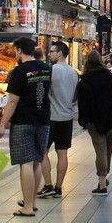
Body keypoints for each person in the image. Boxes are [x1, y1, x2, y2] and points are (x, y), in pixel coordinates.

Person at [0, 37, 52, 217]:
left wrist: (2, 123)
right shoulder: (46, 68)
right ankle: (33, 202)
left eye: (15, 50)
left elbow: (13, 101)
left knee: (26, 163)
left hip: (23, 120)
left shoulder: (19, 71)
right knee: (37, 159)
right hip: (43, 119)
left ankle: (27, 206)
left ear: (20, 50)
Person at [77, 50, 112, 194]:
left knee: (100, 151)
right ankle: (103, 177)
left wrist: (84, 120)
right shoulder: (111, 76)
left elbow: (83, 103)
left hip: (94, 120)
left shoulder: (85, 79)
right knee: (108, 151)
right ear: (101, 61)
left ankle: (102, 183)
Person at [39, 42, 78, 198]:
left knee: (42, 152)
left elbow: (43, 91)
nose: (50, 54)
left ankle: (48, 185)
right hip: (67, 118)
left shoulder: (51, 71)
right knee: (63, 153)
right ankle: (59, 187)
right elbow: (75, 96)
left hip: (51, 118)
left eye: (53, 51)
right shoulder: (74, 73)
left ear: (60, 53)